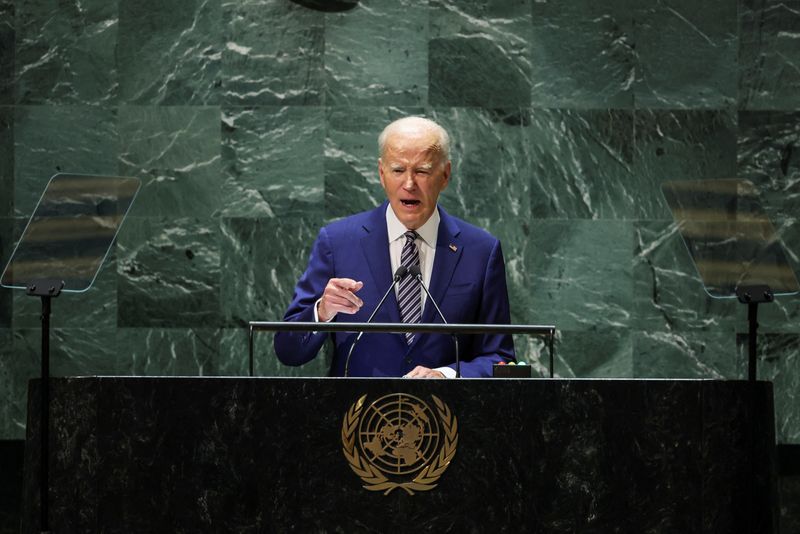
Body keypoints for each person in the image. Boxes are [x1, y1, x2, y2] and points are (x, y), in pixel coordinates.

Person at [274, 116, 515, 378]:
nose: (409, 184)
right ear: (381, 173)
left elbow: (500, 358)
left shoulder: (480, 251)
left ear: (445, 175)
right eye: (398, 170)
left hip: (445, 415)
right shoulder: (338, 242)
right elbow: (288, 351)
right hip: (359, 415)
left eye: (422, 171)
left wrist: (446, 375)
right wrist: (322, 312)